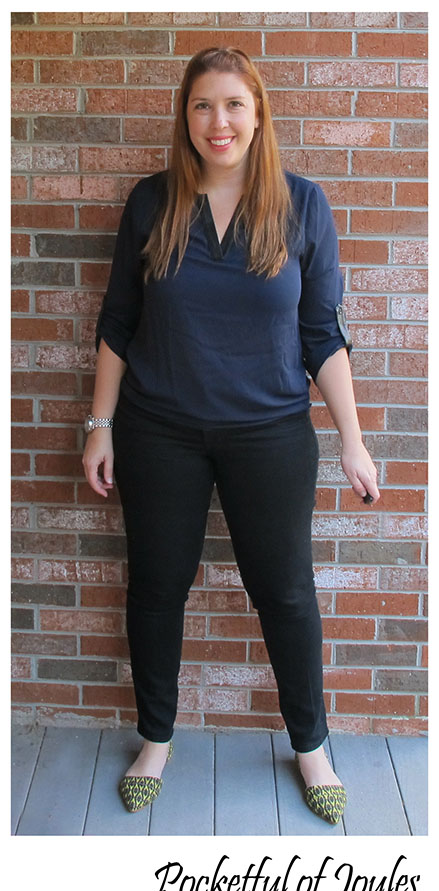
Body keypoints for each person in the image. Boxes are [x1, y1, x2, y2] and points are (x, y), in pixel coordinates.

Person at [82, 47, 379, 825]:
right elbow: (118, 321)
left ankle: (310, 745)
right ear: (184, 116)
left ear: (257, 114)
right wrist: (99, 425)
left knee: (285, 592)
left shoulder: (301, 204)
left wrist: (352, 439)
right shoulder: (152, 202)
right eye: (202, 105)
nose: (218, 121)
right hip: (158, 430)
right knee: (156, 587)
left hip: (270, 433)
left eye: (233, 104)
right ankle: (155, 738)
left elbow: (321, 333)